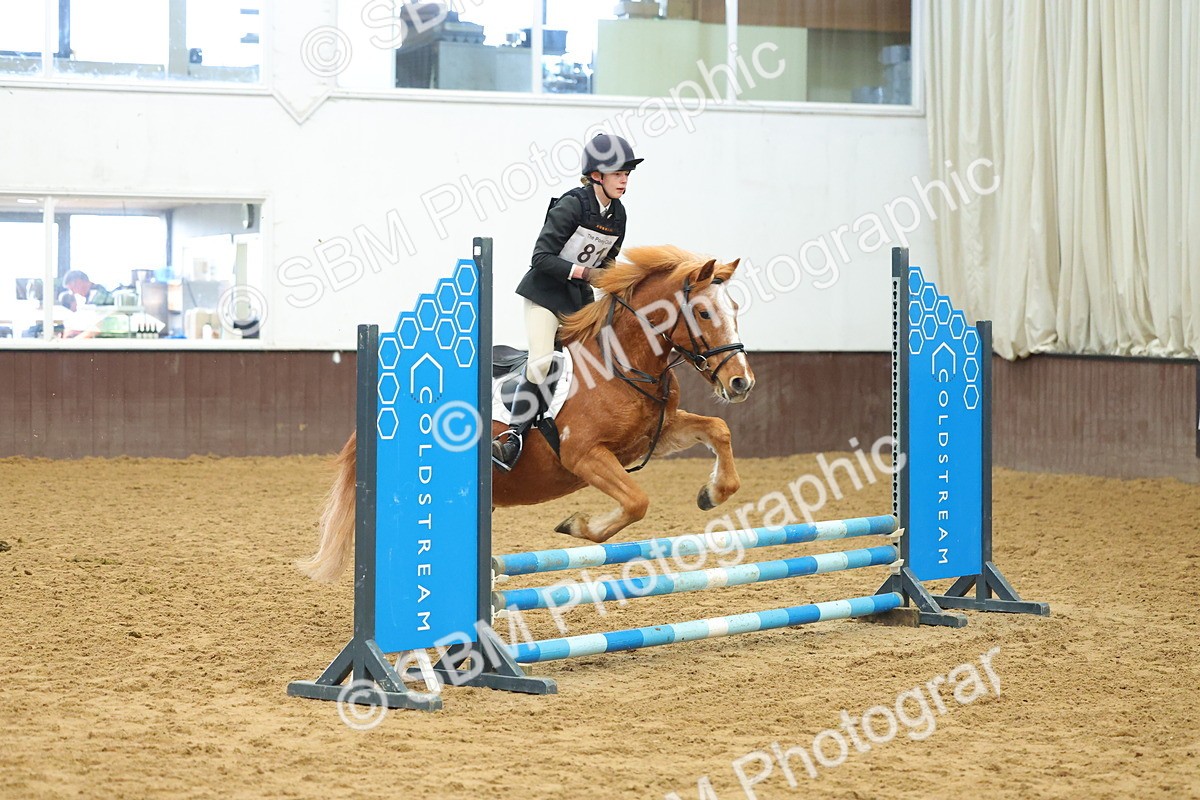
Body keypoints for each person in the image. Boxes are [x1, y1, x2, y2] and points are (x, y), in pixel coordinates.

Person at [491, 133, 644, 471]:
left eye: (627, 174)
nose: (624, 180)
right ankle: (512, 436)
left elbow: (607, 263)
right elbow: (540, 257)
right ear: (596, 176)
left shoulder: (618, 215)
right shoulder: (572, 205)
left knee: (610, 358)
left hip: (578, 301)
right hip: (544, 295)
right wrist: (585, 274)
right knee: (543, 363)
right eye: (618, 173)